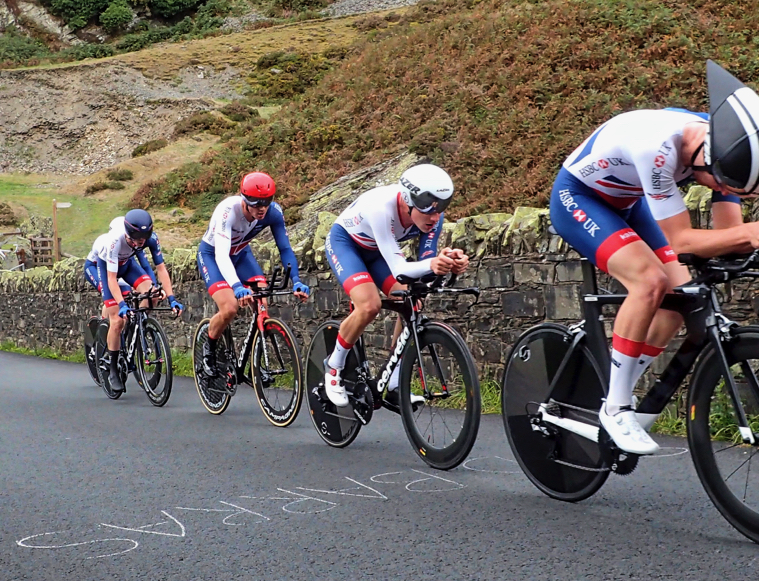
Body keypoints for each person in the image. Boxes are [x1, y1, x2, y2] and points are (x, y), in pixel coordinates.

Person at [548, 61, 759, 455]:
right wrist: (748, 233)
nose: (728, 193)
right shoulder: (658, 149)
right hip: (580, 197)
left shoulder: (725, 146)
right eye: (727, 187)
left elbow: (727, 235)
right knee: (650, 282)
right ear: (705, 161)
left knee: (682, 296)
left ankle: (615, 378)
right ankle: (615, 405)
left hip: (629, 199)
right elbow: (680, 240)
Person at [321, 164, 470, 411]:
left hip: (378, 252)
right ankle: (334, 364)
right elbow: (400, 268)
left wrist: (447, 264)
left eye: (441, 208)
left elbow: (425, 271)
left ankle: (393, 381)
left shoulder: (433, 217)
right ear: (408, 202)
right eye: (429, 210)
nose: (435, 217)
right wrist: (433, 264)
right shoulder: (382, 208)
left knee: (411, 301)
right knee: (369, 305)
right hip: (346, 244)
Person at [196, 172, 310, 376]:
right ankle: (209, 348)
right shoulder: (227, 212)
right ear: (245, 201)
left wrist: (296, 280)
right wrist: (237, 287)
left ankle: (256, 362)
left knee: (262, 304)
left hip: (241, 255)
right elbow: (222, 255)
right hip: (213, 256)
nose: (262, 209)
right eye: (256, 204)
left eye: (266, 203)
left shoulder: (273, 213)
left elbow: (285, 249)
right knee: (230, 308)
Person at [84, 209, 181, 395]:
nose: (140, 242)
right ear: (127, 233)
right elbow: (111, 280)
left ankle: (138, 328)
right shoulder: (114, 242)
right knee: (118, 318)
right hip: (101, 268)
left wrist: (170, 297)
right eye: (136, 238)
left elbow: (160, 268)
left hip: (126, 265)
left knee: (152, 294)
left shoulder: (150, 239)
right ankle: (113, 368)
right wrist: (121, 305)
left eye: (144, 238)